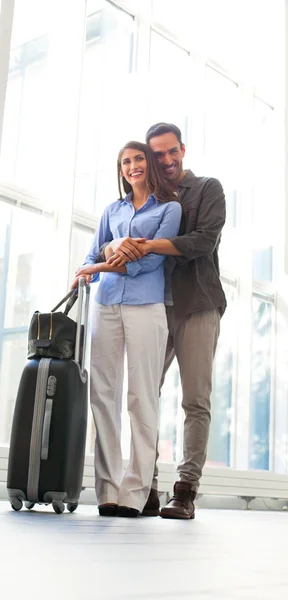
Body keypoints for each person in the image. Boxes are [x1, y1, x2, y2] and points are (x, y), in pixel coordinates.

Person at [104, 123, 226, 520]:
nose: (167, 160)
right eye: (158, 155)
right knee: (143, 394)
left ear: (183, 150)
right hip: (152, 305)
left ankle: (185, 491)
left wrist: (148, 245)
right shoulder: (145, 202)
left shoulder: (207, 189)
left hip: (196, 304)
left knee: (194, 399)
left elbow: (203, 242)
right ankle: (147, 486)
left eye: (172, 152)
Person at [72, 141, 181, 518]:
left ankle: (135, 493)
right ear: (121, 170)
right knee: (103, 395)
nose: (133, 166)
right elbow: (91, 254)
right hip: (106, 305)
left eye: (138, 159)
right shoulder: (111, 211)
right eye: (125, 162)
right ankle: (107, 490)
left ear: (148, 164)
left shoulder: (170, 209)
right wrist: (115, 247)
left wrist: (101, 265)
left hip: (146, 308)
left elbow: (148, 264)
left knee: (141, 398)